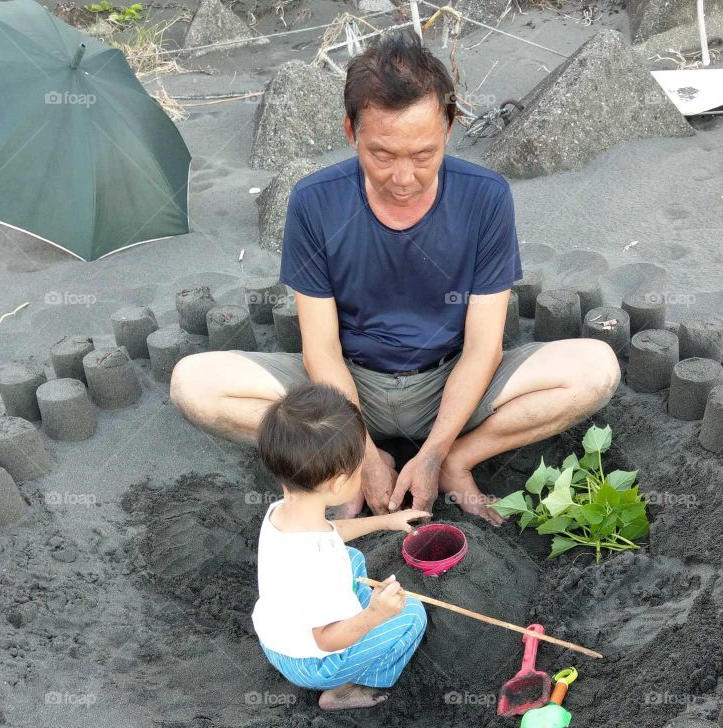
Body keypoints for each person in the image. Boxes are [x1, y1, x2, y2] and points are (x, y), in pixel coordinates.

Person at [171, 31, 619, 526]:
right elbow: (321, 349)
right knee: (195, 385)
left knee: (595, 368)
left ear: (448, 128)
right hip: (344, 390)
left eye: (424, 156)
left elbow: (482, 348)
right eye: (382, 155)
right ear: (351, 131)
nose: (404, 178)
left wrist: (435, 452)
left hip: (451, 382)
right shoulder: (315, 202)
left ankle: (458, 460)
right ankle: (337, 462)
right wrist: (361, 457)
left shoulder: (486, 198)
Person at [252, 382, 430, 711]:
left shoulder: (283, 511)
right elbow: (326, 639)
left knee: (352, 556)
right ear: (338, 483)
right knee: (412, 615)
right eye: (359, 470)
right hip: (313, 661)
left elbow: (330, 534)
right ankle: (345, 690)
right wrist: (375, 615)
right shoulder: (321, 566)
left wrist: (385, 521)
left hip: (277, 634)